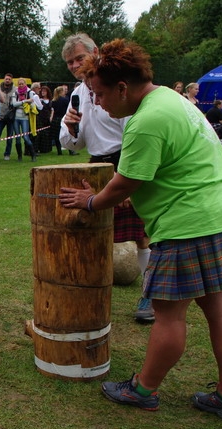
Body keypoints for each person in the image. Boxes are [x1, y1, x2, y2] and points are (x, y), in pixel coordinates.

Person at [59, 39, 222, 424]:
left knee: (168, 316)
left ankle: (142, 390)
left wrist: (91, 202)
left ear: (123, 88)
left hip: (188, 225)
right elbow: (167, 169)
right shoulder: (171, 99)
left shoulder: (146, 121)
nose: (97, 103)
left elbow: (125, 183)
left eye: (100, 94)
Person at [60, 32, 153, 323]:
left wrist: (125, 177)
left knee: (141, 236)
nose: (75, 65)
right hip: (95, 166)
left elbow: (133, 130)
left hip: (125, 159)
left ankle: (148, 296)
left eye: (78, 58)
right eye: (69, 62)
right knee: (94, 233)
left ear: (95, 52)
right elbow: (72, 144)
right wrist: (71, 128)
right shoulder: (77, 93)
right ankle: (91, 293)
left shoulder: (114, 84)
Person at [11, 79, 39, 162]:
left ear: (25, 84)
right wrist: (25, 101)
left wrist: (23, 103)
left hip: (25, 117)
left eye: (22, 84)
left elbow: (33, 103)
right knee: (17, 137)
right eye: (19, 84)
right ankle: (19, 156)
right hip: (16, 117)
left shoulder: (30, 92)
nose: (21, 85)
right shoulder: (15, 93)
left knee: (26, 137)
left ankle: (33, 155)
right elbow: (14, 104)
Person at [0, 73, 16, 161]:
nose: (7, 80)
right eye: (6, 79)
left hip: (10, 115)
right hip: (0, 115)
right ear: (4, 79)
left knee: (9, 136)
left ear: (11, 80)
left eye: (9, 79)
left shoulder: (14, 89)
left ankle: (7, 154)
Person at [51, 85, 69, 155]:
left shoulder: (53, 101)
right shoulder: (65, 100)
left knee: (57, 135)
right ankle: (71, 150)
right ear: (61, 92)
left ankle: (59, 151)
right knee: (66, 134)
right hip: (63, 118)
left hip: (55, 119)